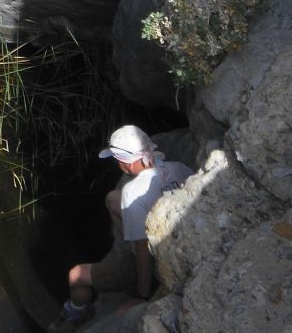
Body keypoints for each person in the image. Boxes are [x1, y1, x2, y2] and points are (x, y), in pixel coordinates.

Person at [49, 125, 193, 331]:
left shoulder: (133, 192)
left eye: (117, 160)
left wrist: (141, 296)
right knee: (112, 199)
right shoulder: (178, 167)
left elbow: (143, 250)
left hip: (153, 260)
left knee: (76, 275)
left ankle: (77, 313)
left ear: (125, 162)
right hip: (178, 240)